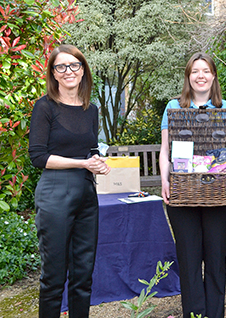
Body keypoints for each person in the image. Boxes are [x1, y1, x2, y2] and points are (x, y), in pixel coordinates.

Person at [159, 52, 226, 318]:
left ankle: (215, 313)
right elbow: (165, 151)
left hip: (218, 193)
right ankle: (195, 314)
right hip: (183, 194)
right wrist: (165, 179)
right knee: (189, 259)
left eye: (206, 71)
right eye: (195, 71)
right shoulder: (174, 107)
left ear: (213, 76)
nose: (200, 76)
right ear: (188, 77)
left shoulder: (225, 106)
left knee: (217, 258)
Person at [29, 44, 110, 318]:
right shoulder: (45, 107)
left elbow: (90, 149)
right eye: (61, 67)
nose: (68, 71)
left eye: (74, 65)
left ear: (83, 69)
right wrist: (82, 163)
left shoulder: (91, 109)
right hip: (55, 194)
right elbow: (38, 157)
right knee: (53, 278)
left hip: (86, 194)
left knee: (83, 277)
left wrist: (97, 162)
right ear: (53, 73)